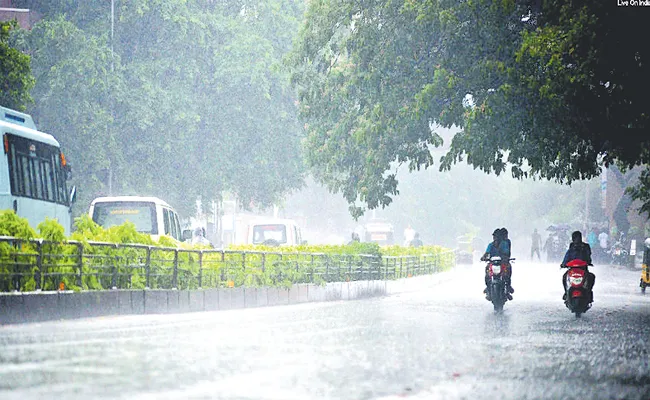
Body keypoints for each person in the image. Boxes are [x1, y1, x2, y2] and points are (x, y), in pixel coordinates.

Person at [561, 230, 595, 302]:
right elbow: (567, 256)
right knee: (564, 277)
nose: (577, 239)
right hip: (572, 270)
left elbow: (588, 255)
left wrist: (588, 262)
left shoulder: (585, 247)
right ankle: (566, 293)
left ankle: (588, 291)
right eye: (575, 238)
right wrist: (563, 264)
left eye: (578, 237)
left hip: (583, 269)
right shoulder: (571, 248)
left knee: (591, 277)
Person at [481, 229, 513, 301]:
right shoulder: (490, 245)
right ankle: (488, 287)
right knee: (487, 270)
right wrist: (484, 257)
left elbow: (507, 252)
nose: (495, 238)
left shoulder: (504, 244)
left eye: (497, 237)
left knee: (507, 271)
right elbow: (487, 253)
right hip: (492, 263)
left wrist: (505, 258)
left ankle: (508, 287)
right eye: (494, 237)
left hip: (502, 263)